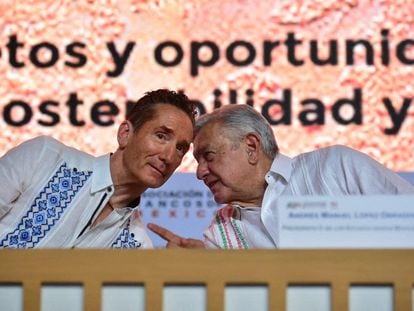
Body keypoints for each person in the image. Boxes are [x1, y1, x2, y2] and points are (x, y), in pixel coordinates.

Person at [148, 104, 414, 249]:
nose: (199, 172)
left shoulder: (335, 168)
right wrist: (200, 268)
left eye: (208, 156)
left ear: (251, 147)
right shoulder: (221, 231)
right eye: (197, 161)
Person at [0, 89, 195, 249]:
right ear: (125, 134)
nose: (168, 157)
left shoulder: (138, 247)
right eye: (161, 136)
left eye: (180, 149)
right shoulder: (44, 157)